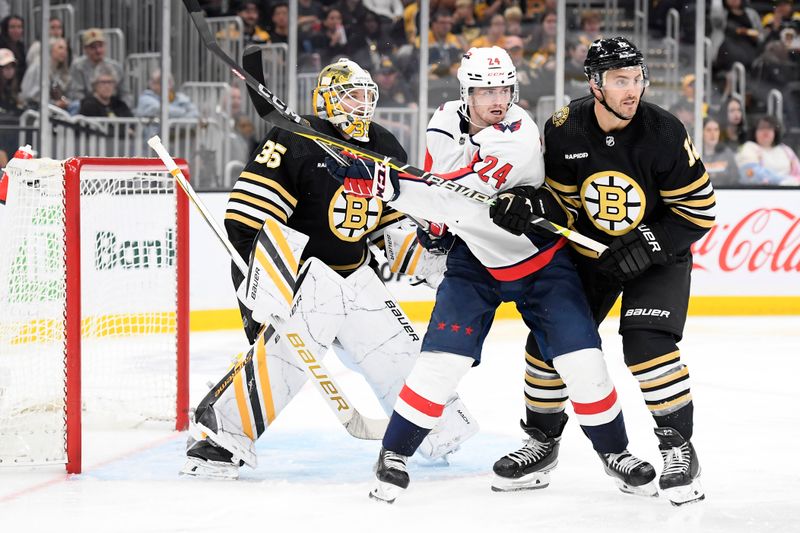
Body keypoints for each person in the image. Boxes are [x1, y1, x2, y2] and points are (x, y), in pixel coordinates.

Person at [326, 46, 656, 504]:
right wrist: (434, 229)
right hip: (475, 262)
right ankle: (393, 455)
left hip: (541, 264)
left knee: (582, 362)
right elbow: (439, 188)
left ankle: (616, 452)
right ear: (467, 92)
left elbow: (454, 197)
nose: (498, 99)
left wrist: (388, 186)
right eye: (486, 91)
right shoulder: (442, 121)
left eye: (504, 88)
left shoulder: (517, 136)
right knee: (442, 363)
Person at [181, 58, 477, 479]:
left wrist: (435, 258)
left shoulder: (386, 147)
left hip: (355, 273)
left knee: (396, 349)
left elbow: (390, 230)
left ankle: (435, 430)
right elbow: (244, 220)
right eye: (351, 94)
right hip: (304, 276)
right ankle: (221, 437)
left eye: (366, 95)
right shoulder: (296, 138)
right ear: (328, 99)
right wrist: (263, 285)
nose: (361, 104)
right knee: (283, 359)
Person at [491, 37, 715, 506]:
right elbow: (561, 206)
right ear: (594, 83)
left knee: (646, 345)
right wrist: (529, 207)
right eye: (619, 80)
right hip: (594, 257)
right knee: (548, 343)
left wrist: (648, 242)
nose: (631, 90)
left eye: (636, 79)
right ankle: (542, 443)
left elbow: (698, 212)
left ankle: (679, 448)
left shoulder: (665, 132)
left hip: (657, 255)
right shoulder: (565, 129)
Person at [67, 28, 130, 111]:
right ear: (85, 49)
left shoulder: (116, 67)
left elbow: (125, 93)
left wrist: (123, 107)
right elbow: (77, 94)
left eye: (100, 46)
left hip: (113, 107)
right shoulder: (78, 67)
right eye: (93, 47)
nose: (98, 50)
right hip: (87, 108)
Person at [736, 114, 800, 185]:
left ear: (775, 132)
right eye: (761, 128)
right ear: (754, 132)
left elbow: (798, 173)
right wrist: (783, 181)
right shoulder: (749, 147)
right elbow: (751, 173)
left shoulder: (786, 150)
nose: (765, 131)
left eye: (769, 128)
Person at [20, 37, 70, 109]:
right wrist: (55, 104)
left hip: (48, 108)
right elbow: (34, 97)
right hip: (33, 109)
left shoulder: (57, 68)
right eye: (60, 48)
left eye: (66, 49)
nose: (64, 52)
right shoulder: (39, 66)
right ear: (50, 49)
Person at [702, 117, 741, 186]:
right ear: (702, 132)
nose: (713, 134)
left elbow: (736, 179)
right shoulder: (695, 154)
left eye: (716, 130)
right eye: (708, 130)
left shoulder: (727, 153)